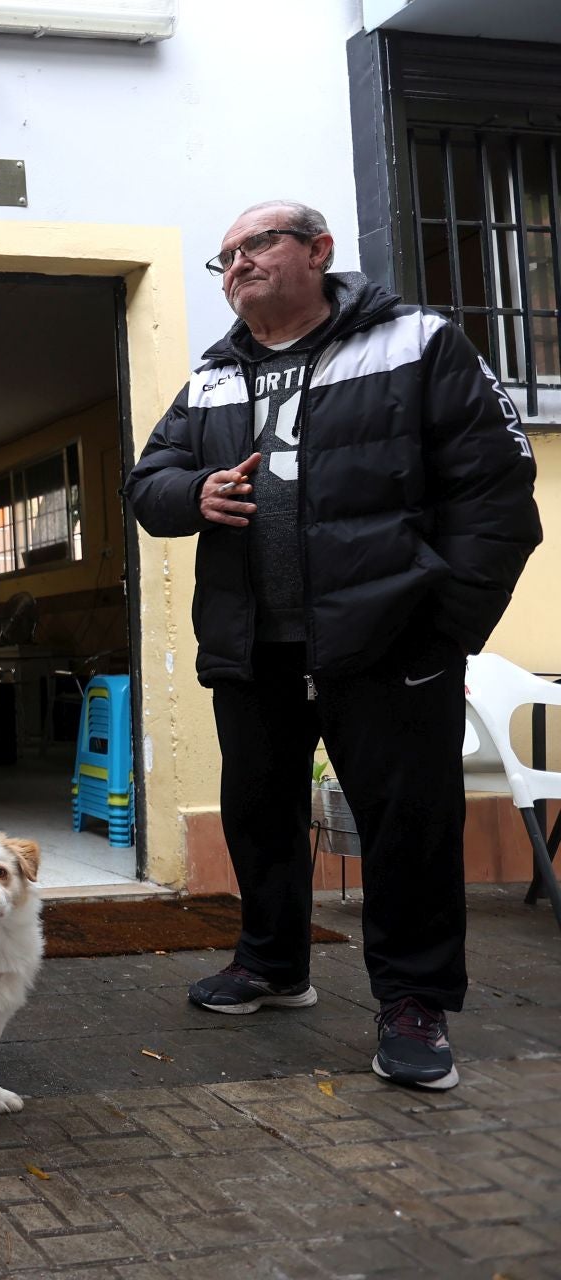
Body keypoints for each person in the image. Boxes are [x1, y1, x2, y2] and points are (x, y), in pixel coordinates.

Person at [127, 200, 540, 1090]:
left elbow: (499, 496)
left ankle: (413, 1001)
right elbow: (147, 481)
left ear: (318, 251)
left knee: (407, 827)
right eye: (223, 256)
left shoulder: (416, 345)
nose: (236, 265)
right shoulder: (213, 378)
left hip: (389, 645)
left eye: (255, 245)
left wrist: (446, 628)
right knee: (260, 813)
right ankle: (273, 964)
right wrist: (191, 491)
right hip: (255, 648)